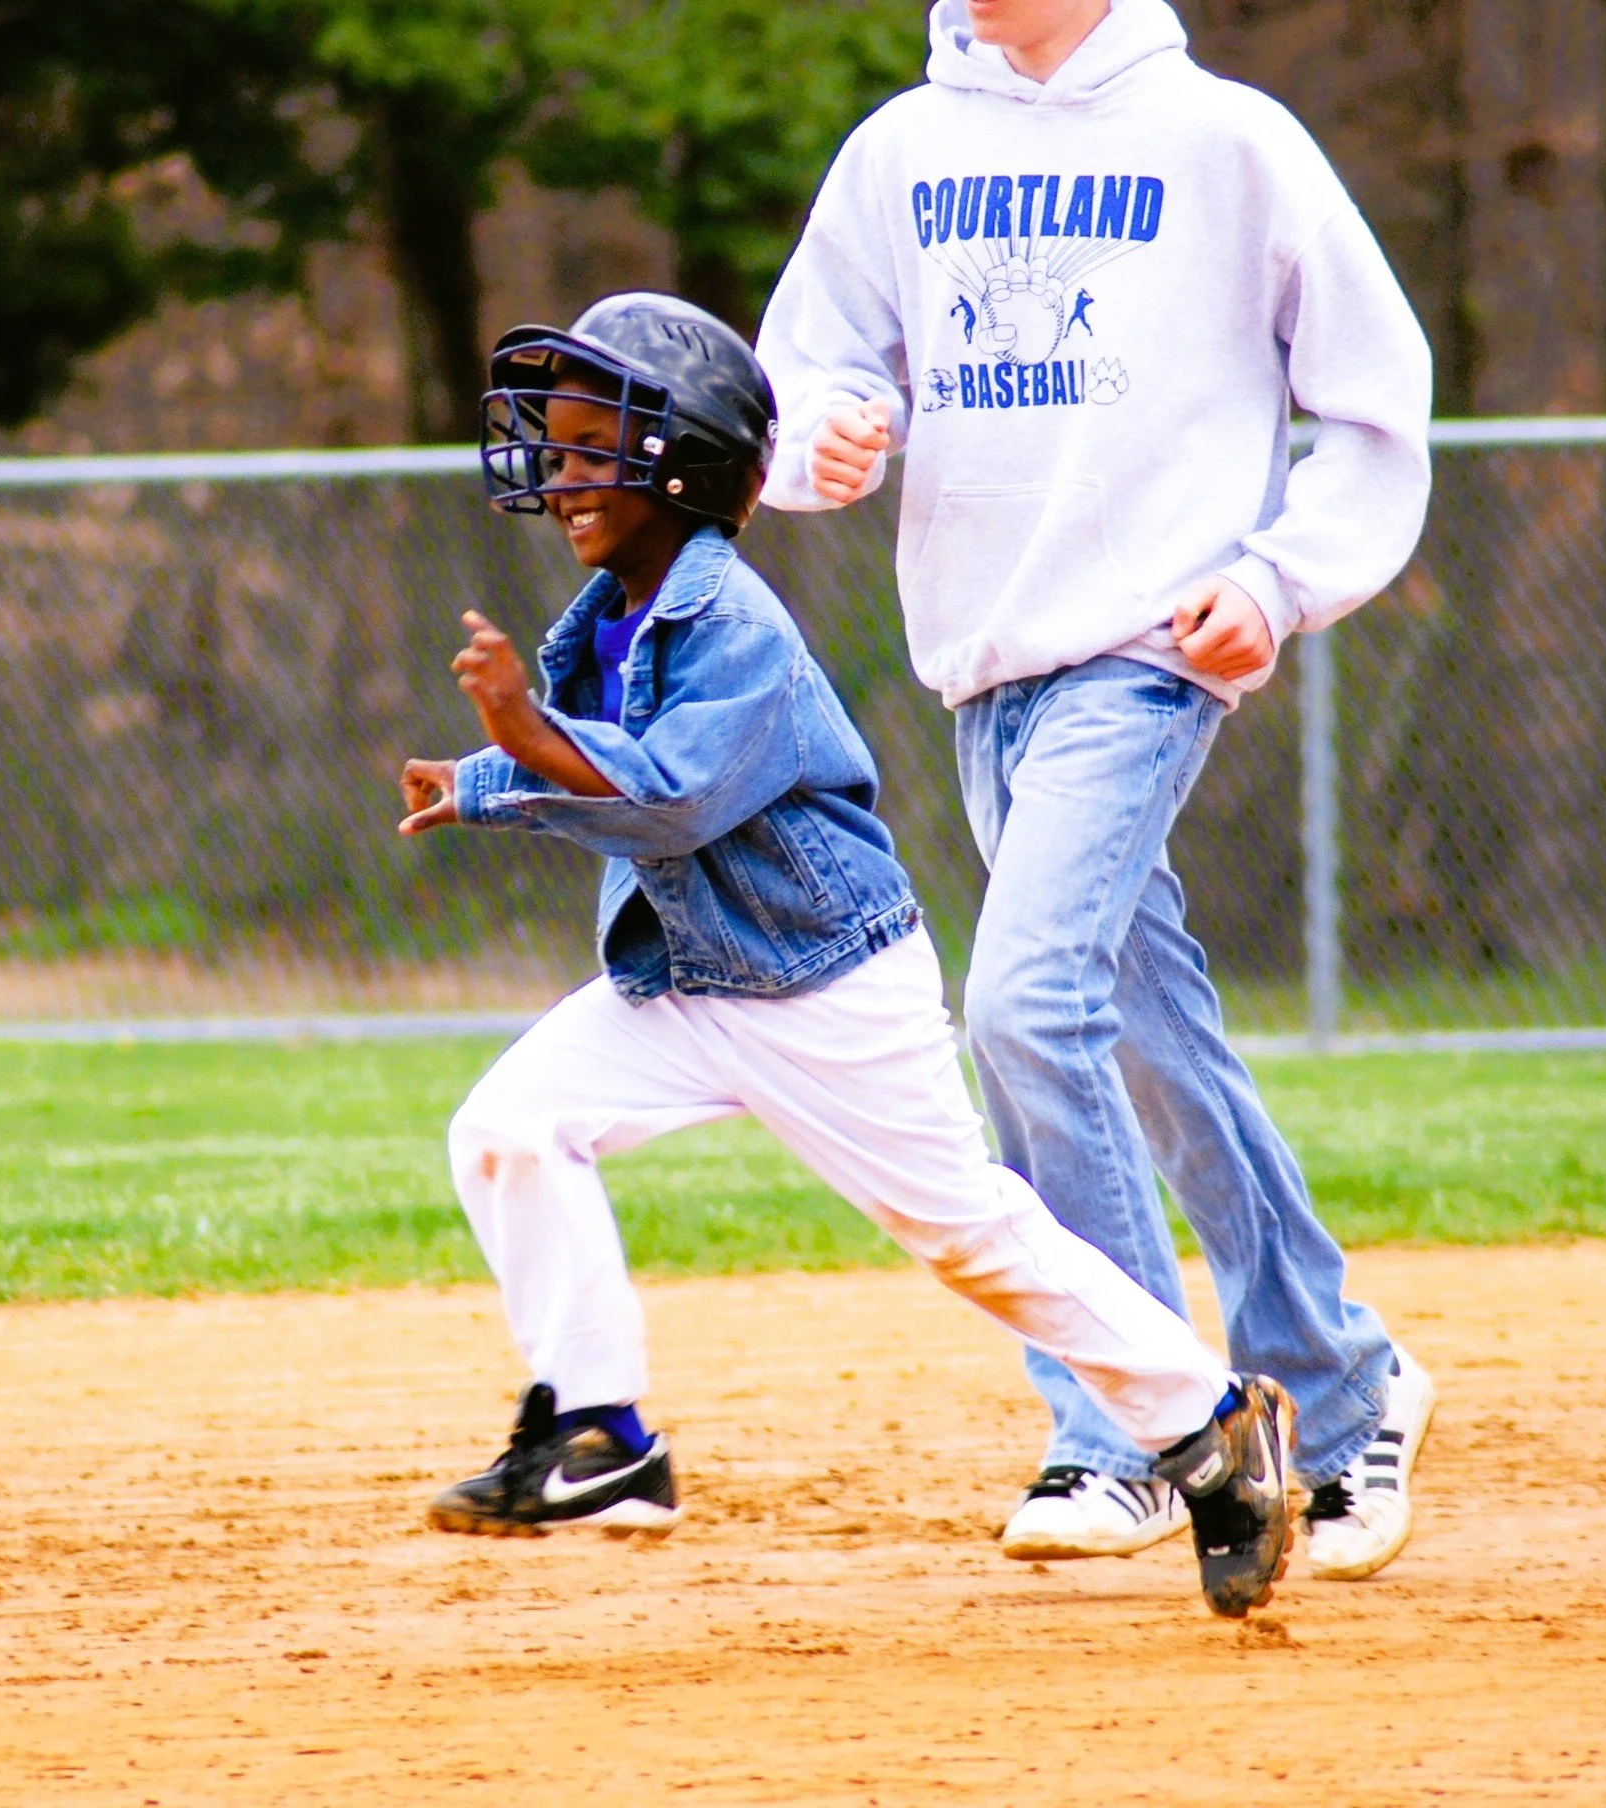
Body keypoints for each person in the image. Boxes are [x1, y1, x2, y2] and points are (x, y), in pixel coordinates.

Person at [395, 289, 1298, 1620]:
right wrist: (488, 770)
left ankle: (1214, 1428)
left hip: (824, 989)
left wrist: (516, 748)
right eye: (560, 441)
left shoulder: (734, 625)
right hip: (688, 980)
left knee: (968, 1237)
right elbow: (594, 772)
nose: (563, 469)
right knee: (509, 1129)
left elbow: (671, 794)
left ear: (685, 461)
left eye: (596, 443)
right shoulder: (598, 620)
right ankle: (600, 1439)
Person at [754, 0, 1436, 1582]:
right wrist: (821, 438)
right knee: (1143, 1039)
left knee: (1020, 1002)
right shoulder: (901, 148)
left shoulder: (1229, 140)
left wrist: (1279, 582)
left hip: (1151, 646)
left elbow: (1373, 406)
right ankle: (1341, 1387)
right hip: (982, 661)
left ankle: (1138, 1423)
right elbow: (805, 379)